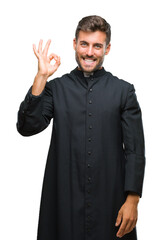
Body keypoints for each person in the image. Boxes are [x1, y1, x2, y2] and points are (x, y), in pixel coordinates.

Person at [16, 15, 146, 240]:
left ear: (107, 49)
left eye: (97, 46)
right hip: (64, 202)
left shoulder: (124, 92)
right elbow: (27, 126)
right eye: (84, 44)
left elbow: (135, 150)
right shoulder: (55, 89)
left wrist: (132, 200)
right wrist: (41, 76)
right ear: (75, 44)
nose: (89, 52)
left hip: (110, 202)